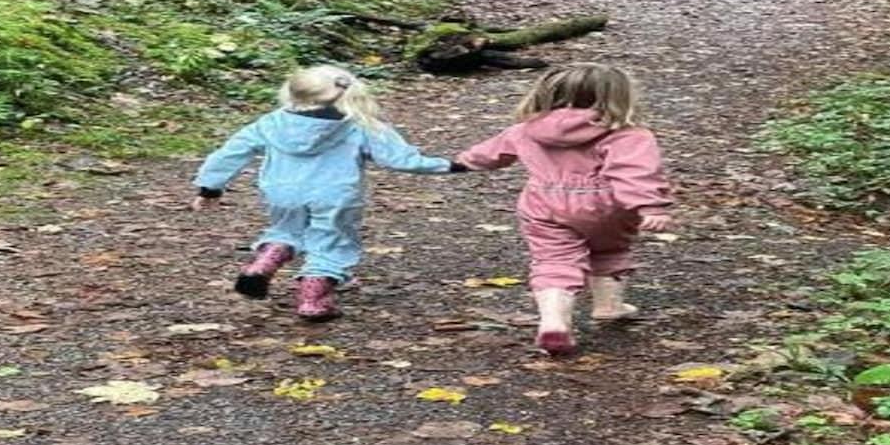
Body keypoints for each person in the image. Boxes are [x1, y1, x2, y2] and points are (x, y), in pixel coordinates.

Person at [193, 64, 461, 321]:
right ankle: (313, 301)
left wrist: (210, 188)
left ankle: (264, 262)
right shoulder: (359, 125)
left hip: (282, 192)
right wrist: (451, 165)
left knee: (286, 230)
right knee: (331, 241)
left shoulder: (271, 123)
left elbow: (229, 154)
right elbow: (400, 159)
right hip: (335, 195)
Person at [456, 62, 673, 355]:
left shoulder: (525, 130)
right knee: (610, 249)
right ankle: (609, 305)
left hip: (544, 204)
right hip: (606, 204)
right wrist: (650, 206)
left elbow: (488, 154)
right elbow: (635, 171)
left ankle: (554, 323)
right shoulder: (627, 134)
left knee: (553, 260)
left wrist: (461, 163)